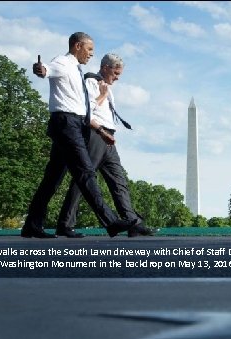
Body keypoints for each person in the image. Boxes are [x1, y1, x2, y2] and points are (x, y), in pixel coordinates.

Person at [21, 32, 138, 238]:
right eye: (89, 49)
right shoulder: (64, 63)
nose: (91, 54)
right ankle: (111, 222)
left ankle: (32, 223)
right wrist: (40, 69)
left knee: (52, 178)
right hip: (66, 123)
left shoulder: (76, 69)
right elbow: (47, 69)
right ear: (77, 46)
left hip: (73, 123)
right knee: (85, 172)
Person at [55, 53, 156, 238]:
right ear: (105, 68)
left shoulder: (106, 85)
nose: (117, 77)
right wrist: (102, 96)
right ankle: (65, 223)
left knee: (119, 181)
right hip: (95, 134)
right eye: (116, 73)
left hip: (108, 137)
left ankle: (132, 222)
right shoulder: (91, 82)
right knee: (84, 180)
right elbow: (85, 110)